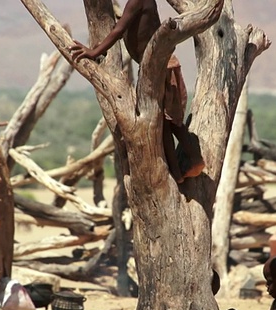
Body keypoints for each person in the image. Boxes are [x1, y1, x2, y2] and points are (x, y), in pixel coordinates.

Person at [70, 0, 205, 183]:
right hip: (155, 66)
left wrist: (93, 53)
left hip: (161, 66)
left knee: (171, 121)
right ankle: (177, 174)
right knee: (163, 122)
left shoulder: (138, 0)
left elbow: (118, 32)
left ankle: (195, 161)